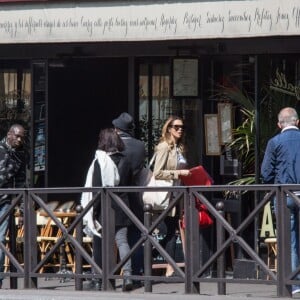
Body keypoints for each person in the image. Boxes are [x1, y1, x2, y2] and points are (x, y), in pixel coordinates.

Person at [81, 128, 134, 291]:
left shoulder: (101, 161)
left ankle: (98, 278)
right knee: (122, 241)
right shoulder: (126, 160)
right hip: (122, 205)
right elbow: (129, 183)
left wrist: (92, 211)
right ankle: (128, 276)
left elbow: (97, 189)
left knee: (99, 243)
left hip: (105, 207)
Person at [261, 107, 300, 295]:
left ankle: (294, 284)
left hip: (285, 196)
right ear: (298, 122)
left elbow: (266, 173)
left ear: (279, 124)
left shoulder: (274, 142)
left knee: (290, 240)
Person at [152, 116, 190, 277]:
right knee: (170, 230)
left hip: (176, 194)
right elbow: (157, 172)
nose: (180, 129)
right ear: (169, 129)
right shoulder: (164, 147)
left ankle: (169, 267)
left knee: (171, 230)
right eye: (176, 127)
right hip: (166, 195)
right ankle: (168, 266)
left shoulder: (178, 148)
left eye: (182, 127)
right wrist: (178, 173)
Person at [112, 112, 146, 284]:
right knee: (136, 237)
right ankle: (138, 274)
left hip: (117, 196)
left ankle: (127, 275)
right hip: (135, 195)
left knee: (121, 237)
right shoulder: (140, 146)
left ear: (117, 130)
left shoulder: (114, 147)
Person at [0, 124, 26, 289]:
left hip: (5, 202)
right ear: (9, 134)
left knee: (0, 239)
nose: (19, 139)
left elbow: (22, 183)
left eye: (22, 137)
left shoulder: (21, 155)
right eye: (17, 136)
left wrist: (22, 210)